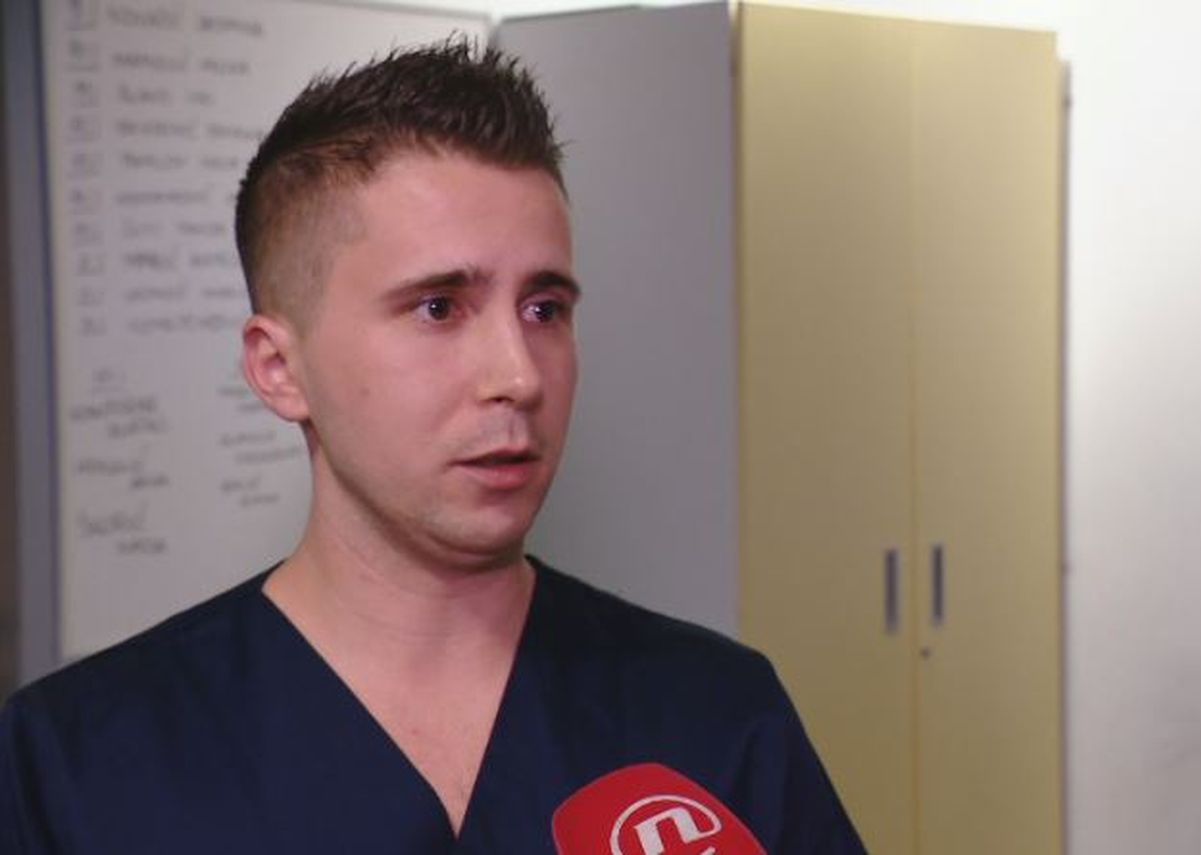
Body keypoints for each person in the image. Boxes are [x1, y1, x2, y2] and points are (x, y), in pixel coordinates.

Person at [0, 40, 863, 854]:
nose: (519, 374)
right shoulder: (73, 764)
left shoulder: (718, 717)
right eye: (439, 308)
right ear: (280, 369)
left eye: (545, 308)